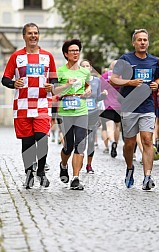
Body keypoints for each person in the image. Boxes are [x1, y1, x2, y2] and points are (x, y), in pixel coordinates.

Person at [1, 23, 58, 189]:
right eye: (30, 33)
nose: (33, 36)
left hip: (42, 104)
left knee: (42, 140)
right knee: (27, 143)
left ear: (38, 36)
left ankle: (41, 172)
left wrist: (52, 86)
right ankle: (28, 174)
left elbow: (54, 79)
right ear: (24, 36)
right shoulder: (16, 57)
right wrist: (13, 83)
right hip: (22, 105)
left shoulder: (47, 56)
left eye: (36, 33)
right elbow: (5, 79)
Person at [110, 28, 159, 190]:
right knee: (129, 144)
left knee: (147, 140)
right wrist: (129, 82)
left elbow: (157, 81)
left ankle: (147, 176)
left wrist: (157, 87)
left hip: (147, 107)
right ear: (134, 43)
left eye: (145, 40)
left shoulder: (154, 60)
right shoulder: (125, 59)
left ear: (148, 42)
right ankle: (130, 168)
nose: (142, 43)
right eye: (139, 40)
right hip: (130, 107)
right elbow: (113, 80)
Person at [56, 39, 91, 190]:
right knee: (68, 146)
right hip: (65, 112)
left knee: (80, 145)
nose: (76, 53)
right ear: (66, 54)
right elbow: (54, 91)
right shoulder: (60, 71)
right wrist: (67, 85)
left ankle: (76, 178)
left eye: (77, 50)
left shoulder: (85, 71)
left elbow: (88, 86)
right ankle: (63, 165)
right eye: (72, 51)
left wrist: (88, 91)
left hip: (81, 111)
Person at [80, 59, 108, 173]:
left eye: (88, 66)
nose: (86, 68)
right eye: (83, 66)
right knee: (81, 141)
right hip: (80, 114)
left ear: (91, 68)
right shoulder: (77, 81)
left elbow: (97, 99)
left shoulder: (97, 81)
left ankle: (89, 165)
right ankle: (78, 163)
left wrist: (103, 96)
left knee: (91, 140)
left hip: (93, 113)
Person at [100, 60, 121, 157]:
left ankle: (112, 141)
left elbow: (99, 89)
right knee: (117, 126)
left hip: (107, 105)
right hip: (119, 105)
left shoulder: (104, 76)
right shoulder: (122, 76)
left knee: (109, 126)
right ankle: (115, 144)